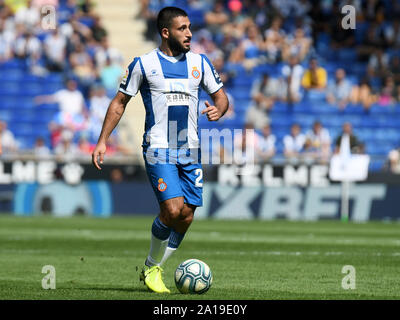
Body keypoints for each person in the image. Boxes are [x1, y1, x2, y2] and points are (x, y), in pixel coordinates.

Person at [91, 7, 228, 294]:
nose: (189, 33)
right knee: (172, 208)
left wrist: (219, 110)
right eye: (182, 28)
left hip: (190, 150)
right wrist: (103, 139)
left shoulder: (200, 63)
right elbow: (119, 103)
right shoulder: (143, 64)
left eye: (189, 27)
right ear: (166, 32)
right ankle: (153, 267)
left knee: (187, 215)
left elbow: (220, 96)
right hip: (159, 147)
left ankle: (153, 266)